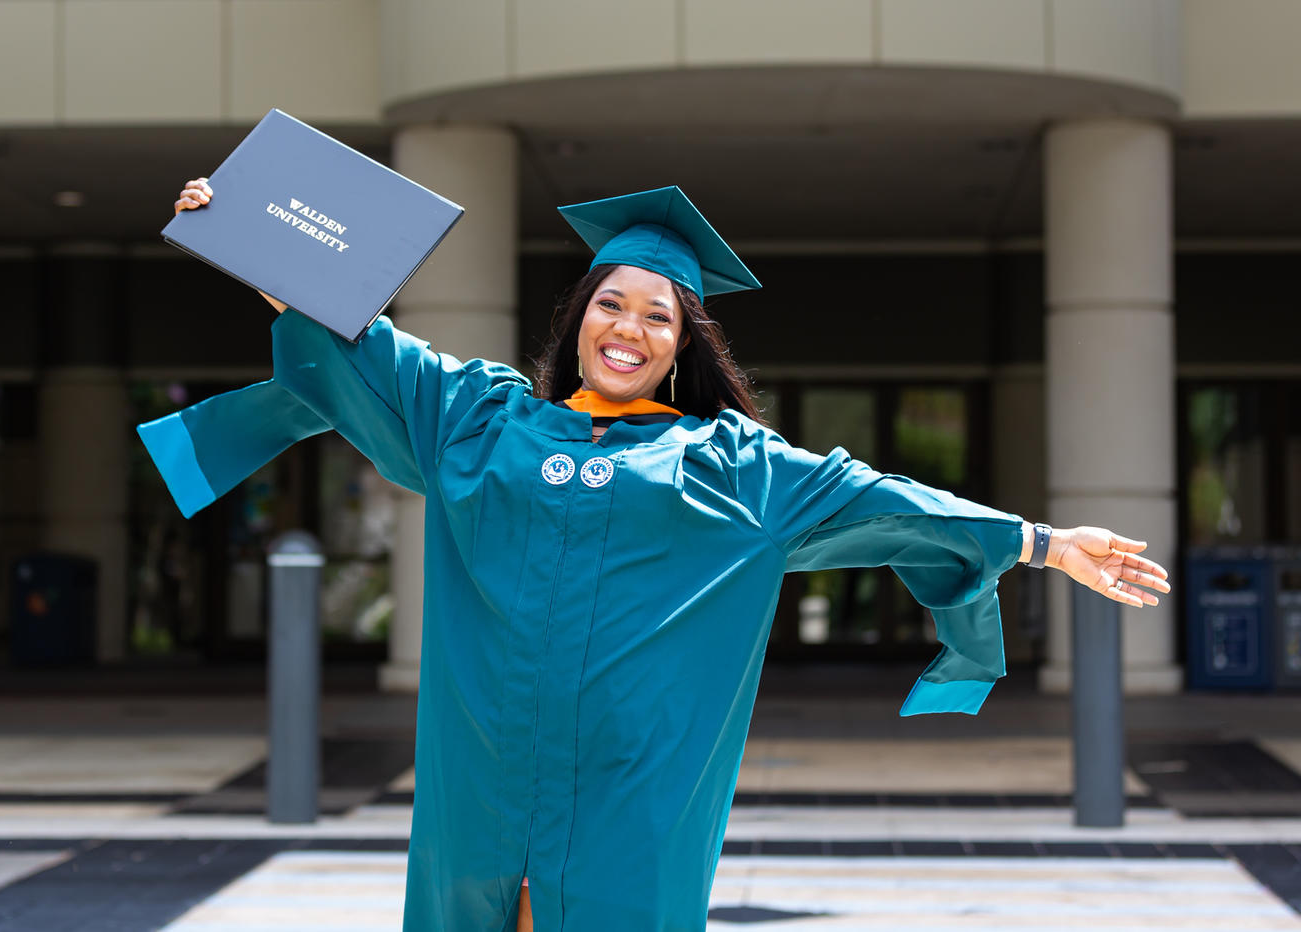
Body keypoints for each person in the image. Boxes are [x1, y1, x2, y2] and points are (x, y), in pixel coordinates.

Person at [142, 180, 1170, 931]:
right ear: (577, 316)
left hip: (634, 782)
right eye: (609, 303)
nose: (626, 327)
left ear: (681, 343)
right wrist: (246, 232)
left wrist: (1043, 542)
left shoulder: (727, 465)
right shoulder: (481, 422)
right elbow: (368, 350)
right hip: (483, 769)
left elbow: (883, 497)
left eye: (655, 314)